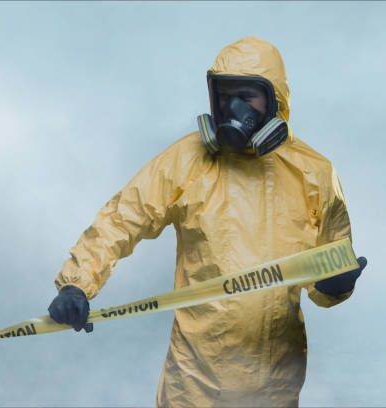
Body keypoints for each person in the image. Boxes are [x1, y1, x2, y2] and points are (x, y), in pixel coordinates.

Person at [47, 36, 367, 407]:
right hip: (195, 384)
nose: (233, 108)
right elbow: (122, 219)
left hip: (275, 384)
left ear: (275, 100)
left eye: (246, 96)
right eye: (225, 95)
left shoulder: (314, 174)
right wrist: (77, 285)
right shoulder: (186, 162)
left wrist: (335, 285)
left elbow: (326, 277)